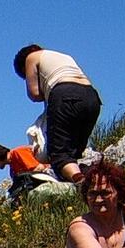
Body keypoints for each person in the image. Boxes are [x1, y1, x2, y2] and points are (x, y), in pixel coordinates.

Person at [13, 44, 101, 184]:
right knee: (74, 150)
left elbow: (34, 94)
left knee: (59, 154)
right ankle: (87, 179)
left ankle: (81, 183)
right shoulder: (64, 56)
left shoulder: (31, 57)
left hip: (64, 94)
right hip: (92, 98)